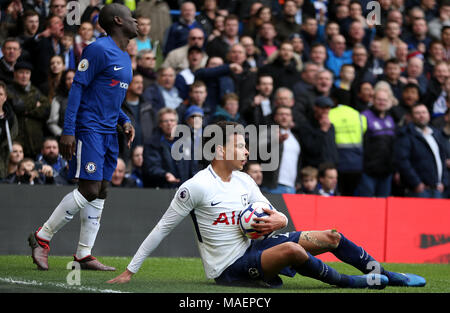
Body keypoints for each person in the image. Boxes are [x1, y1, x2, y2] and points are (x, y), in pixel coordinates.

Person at [107, 120, 426, 288]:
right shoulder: (196, 187)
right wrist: (130, 271)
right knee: (293, 251)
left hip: (256, 248)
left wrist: (280, 222)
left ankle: (384, 273)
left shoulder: (246, 181)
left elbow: (276, 216)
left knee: (332, 236)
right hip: (229, 269)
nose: (247, 152)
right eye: (241, 146)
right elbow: (162, 227)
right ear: (220, 150)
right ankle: (353, 283)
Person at [27, 3, 137, 272]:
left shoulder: (124, 56)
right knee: (88, 188)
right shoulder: (98, 49)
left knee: (100, 189)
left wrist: (124, 120)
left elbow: (110, 96)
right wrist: (68, 130)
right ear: (117, 21)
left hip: (110, 130)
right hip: (89, 128)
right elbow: (78, 88)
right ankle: (42, 237)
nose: (136, 21)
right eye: (131, 17)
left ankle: (84, 254)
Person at [394, 103, 449, 198]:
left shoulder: (435, 133)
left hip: (438, 188)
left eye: (424, 112)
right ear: (411, 117)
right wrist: (416, 183)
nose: (421, 115)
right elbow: (403, 161)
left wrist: (444, 182)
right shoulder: (405, 134)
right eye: (417, 113)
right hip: (419, 190)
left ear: (428, 114)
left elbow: (442, 158)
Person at [357, 89, 396, 197]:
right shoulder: (364, 116)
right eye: (379, 99)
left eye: (384, 100)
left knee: (383, 207)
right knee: (367, 206)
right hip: (368, 171)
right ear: (373, 100)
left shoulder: (390, 118)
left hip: (386, 172)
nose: (382, 102)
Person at [0, 80, 18, 179]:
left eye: (0, 94)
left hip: (6, 162)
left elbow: (14, 136)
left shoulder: (11, 118)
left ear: (5, 97)